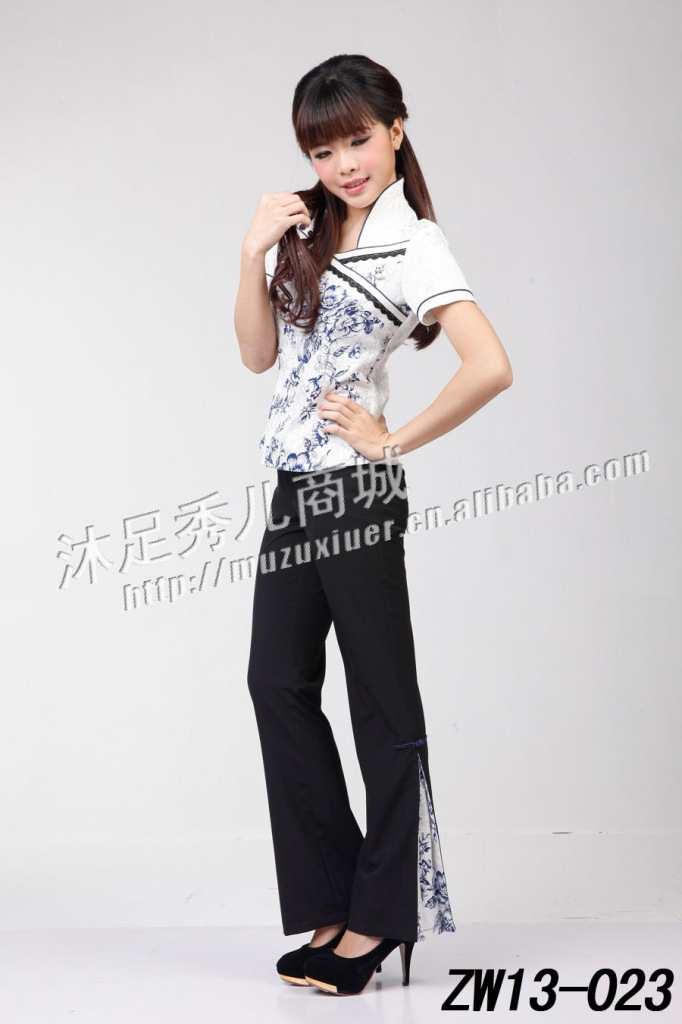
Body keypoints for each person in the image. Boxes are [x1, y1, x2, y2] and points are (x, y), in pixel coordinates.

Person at [234, 53, 512, 997]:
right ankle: (334, 903)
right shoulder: (307, 228)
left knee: (381, 703)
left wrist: (391, 441)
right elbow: (258, 354)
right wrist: (250, 253)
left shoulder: (415, 243)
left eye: (358, 140)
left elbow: (489, 365)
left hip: (355, 492)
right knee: (276, 682)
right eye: (323, 149)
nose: (344, 164)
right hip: (294, 488)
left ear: (396, 130)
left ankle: (383, 916)